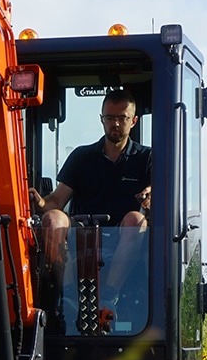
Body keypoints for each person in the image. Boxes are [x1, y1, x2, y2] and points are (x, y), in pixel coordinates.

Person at [29, 88, 151, 298]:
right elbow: (57, 200)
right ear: (101, 119)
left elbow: (160, 195)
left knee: (135, 219)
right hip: (82, 234)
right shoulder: (82, 157)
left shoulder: (147, 158)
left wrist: (151, 195)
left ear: (134, 121)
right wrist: (40, 202)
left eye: (122, 118)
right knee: (53, 219)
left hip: (124, 235)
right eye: (110, 118)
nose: (115, 124)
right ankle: (66, 295)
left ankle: (109, 296)